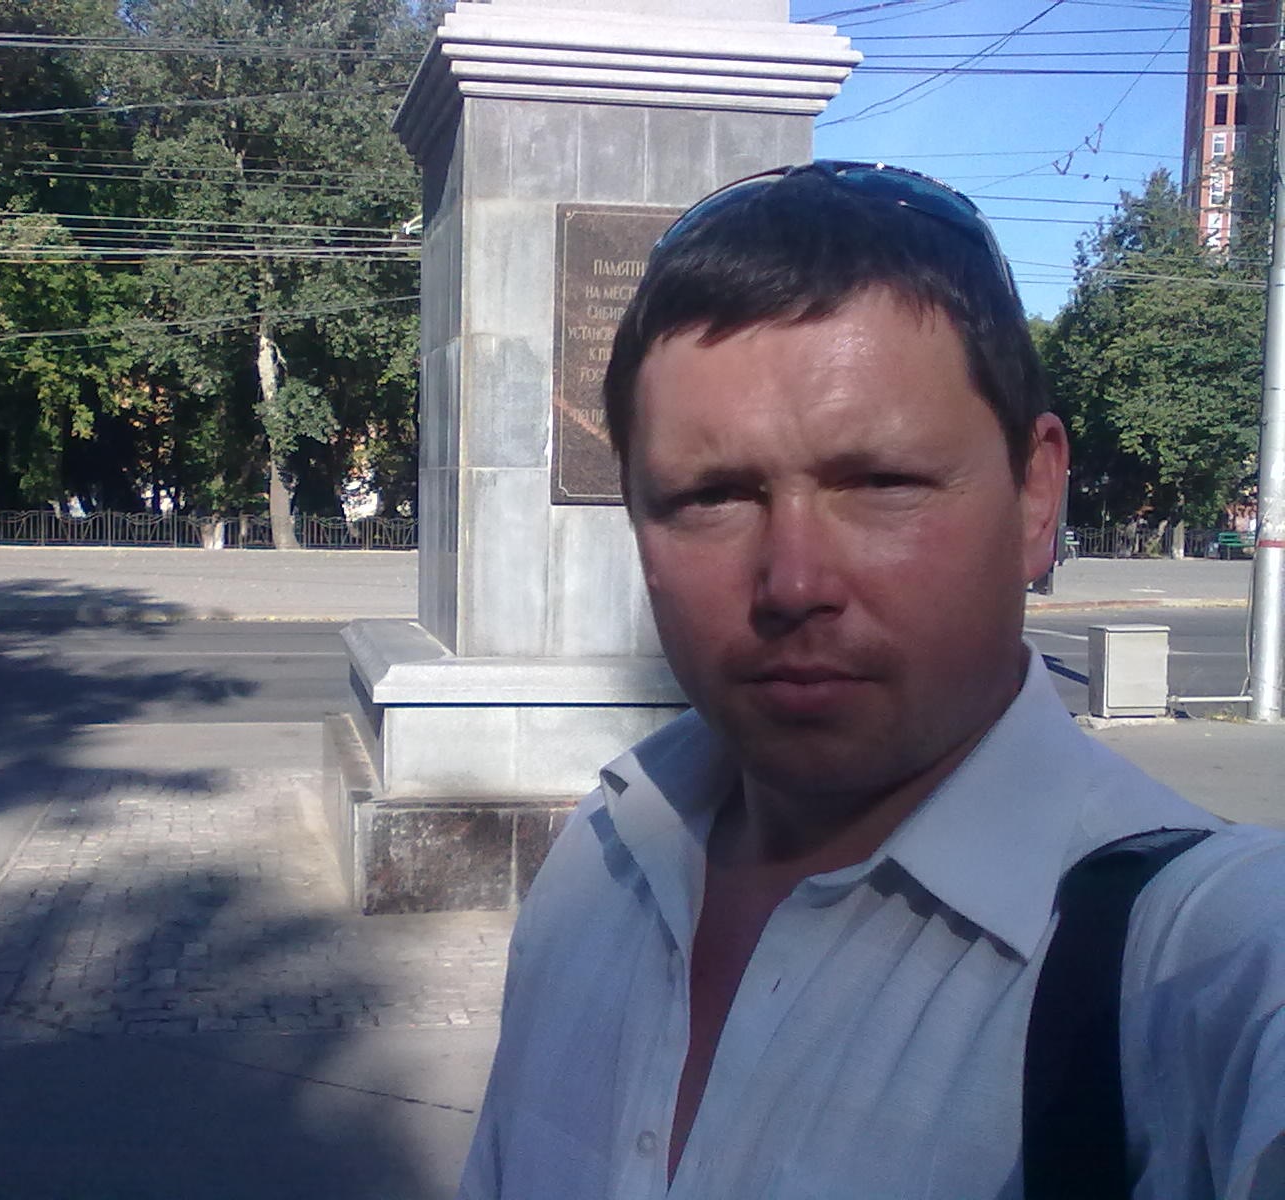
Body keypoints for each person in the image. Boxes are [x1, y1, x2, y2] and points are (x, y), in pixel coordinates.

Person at [458, 162, 1285, 1199]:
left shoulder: (1200, 957)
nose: (794, 583)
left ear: (1036, 495)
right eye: (710, 497)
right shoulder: (601, 851)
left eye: (883, 482)